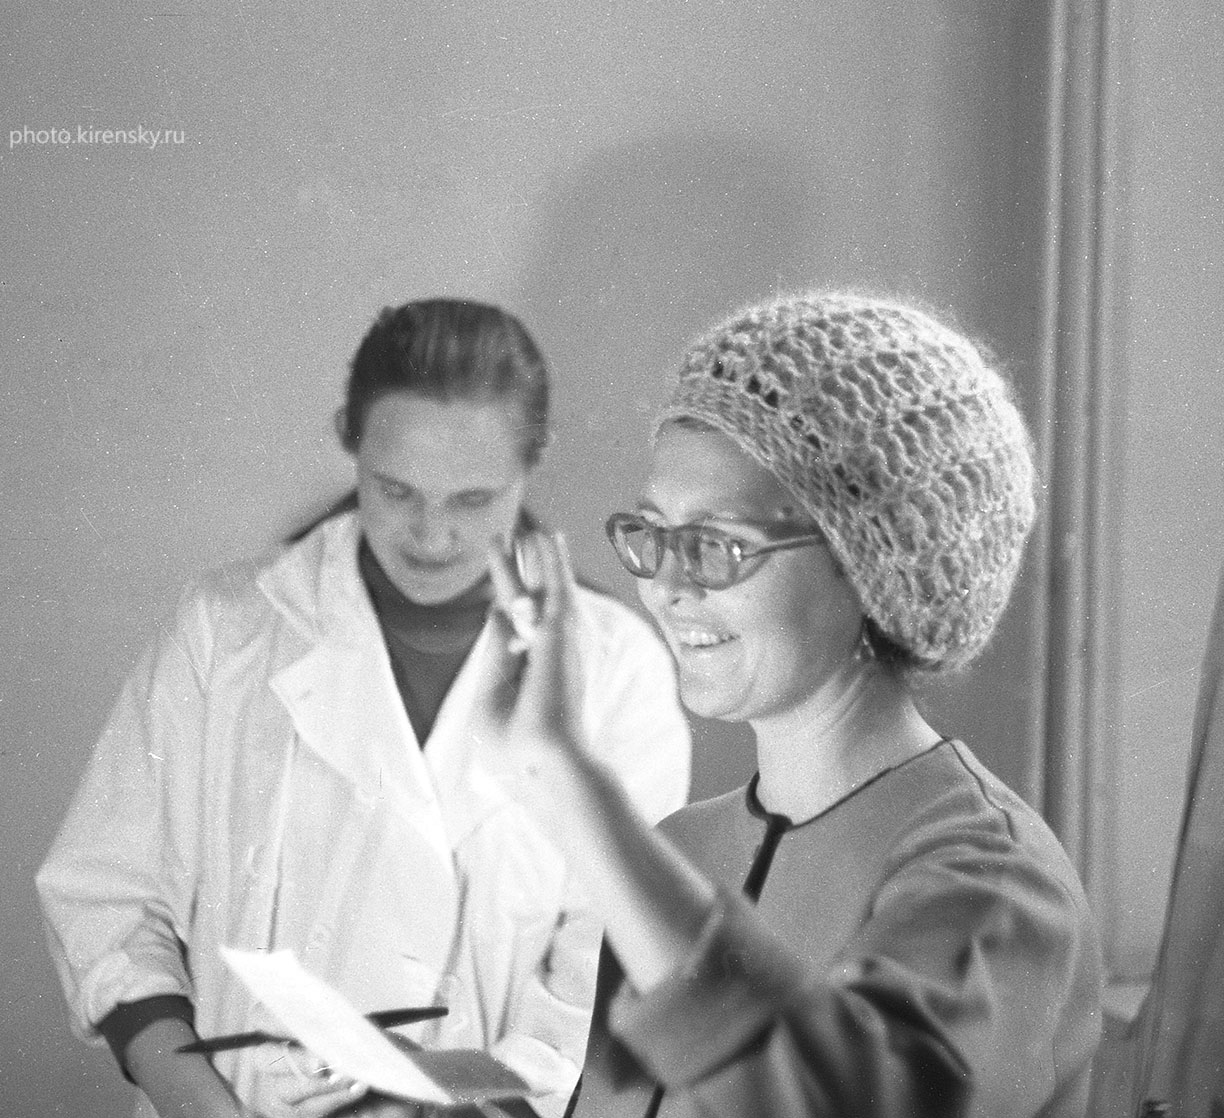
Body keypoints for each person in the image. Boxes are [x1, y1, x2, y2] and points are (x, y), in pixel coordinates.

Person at [36, 298, 692, 1118]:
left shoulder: (618, 674)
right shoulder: (224, 631)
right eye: (396, 490)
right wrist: (198, 1101)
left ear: (533, 464)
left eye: (473, 500)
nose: (431, 537)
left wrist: (448, 1093)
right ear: (350, 441)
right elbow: (108, 899)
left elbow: (614, 982)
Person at [472, 292, 1103, 1118]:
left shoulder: (992, 886)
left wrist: (569, 782)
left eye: (720, 544)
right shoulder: (683, 849)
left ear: (870, 563)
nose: (666, 586)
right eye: (653, 534)